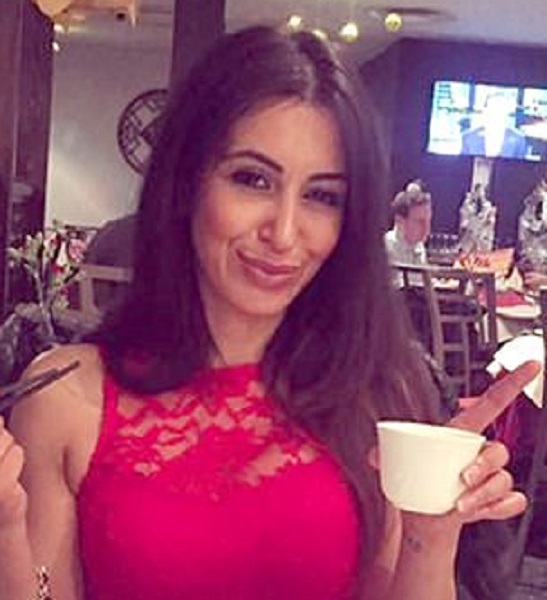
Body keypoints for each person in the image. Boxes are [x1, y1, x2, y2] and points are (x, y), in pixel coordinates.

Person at [0, 25, 539, 600]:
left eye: (321, 196)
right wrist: (6, 527)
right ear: (186, 183)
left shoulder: (378, 392)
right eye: (252, 180)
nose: (283, 233)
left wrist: (430, 534)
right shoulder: (64, 400)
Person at [82, 213, 136, 310]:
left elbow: (87, 262)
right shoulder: (155, 232)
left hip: (95, 309)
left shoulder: (111, 228)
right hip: (130, 310)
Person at [461, 93, 527, 159]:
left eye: (501, 109)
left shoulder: (518, 139)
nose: (497, 113)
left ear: (507, 112)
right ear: (485, 111)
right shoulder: (469, 137)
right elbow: (463, 164)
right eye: (493, 108)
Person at [384, 179, 432, 268]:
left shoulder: (419, 247)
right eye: (420, 222)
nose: (426, 228)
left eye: (428, 221)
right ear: (400, 221)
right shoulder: (384, 251)